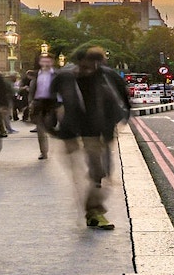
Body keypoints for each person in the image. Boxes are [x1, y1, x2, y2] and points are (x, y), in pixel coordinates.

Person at [50, 46, 131, 230]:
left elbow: (123, 99)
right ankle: (94, 213)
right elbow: (47, 101)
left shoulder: (108, 76)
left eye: (95, 64)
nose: (91, 69)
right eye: (86, 65)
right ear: (78, 63)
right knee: (79, 175)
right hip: (70, 132)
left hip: (96, 131)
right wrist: (52, 126)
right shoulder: (64, 77)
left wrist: (120, 118)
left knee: (100, 173)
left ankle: (93, 210)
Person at [29, 54, 57, 160]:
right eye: (43, 61)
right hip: (39, 103)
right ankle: (44, 152)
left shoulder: (57, 75)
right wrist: (31, 102)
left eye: (48, 61)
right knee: (41, 129)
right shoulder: (36, 75)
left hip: (53, 103)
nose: (45, 63)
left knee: (53, 127)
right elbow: (32, 90)